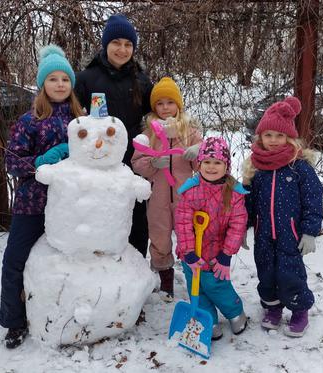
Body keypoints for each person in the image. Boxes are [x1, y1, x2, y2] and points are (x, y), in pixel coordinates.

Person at [0, 44, 84, 349]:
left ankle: (69, 315)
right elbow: (11, 162)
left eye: (65, 78)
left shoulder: (81, 119)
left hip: (71, 204)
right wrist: (39, 161)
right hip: (32, 204)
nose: (60, 84)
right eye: (53, 79)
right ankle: (14, 320)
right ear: (42, 84)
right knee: (15, 261)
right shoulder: (29, 120)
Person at [242, 96, 323, 338]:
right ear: (260, 138)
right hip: (263, 234)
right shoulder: (256, 167)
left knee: (291, 273)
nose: (274, 141)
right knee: (265, 271)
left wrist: (310, 230)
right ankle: (272, 308)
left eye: (279, 136)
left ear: (289, 138)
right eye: (268, 135)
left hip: (292, 235)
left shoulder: (299, 167)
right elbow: (246, 200)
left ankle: (299, 310)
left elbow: (313, 198)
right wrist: (242, 227)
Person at [75, 14, 152, 257]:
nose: (122, 49)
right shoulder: (86, 78)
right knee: (101, 213)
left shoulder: (141, 79)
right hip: (99, 160)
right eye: (116, 43)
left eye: (128, 44)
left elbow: (155, 116)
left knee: (137, 216)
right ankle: (101, 263)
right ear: (105, 45)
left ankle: (136, 265)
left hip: (133, 160)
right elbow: (72, 118)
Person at [131, 77, 202, 302]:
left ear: (178, 105)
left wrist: (197, 152)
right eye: (160, 103)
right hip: (158, 196)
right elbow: (137, 162)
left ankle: (194, 279)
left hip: (185, 196)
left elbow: (207, 165)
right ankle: (166, 280)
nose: (165, 108)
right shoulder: (148, 133)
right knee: (159, 237)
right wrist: (152, 164)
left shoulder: (189, 131)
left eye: (170, 103)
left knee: (187, 237)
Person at [174, 137, 248, 340]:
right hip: (192, 254)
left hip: (217, 254)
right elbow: (182, 223)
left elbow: (238, 225)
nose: (212, 167)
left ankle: (235, 313)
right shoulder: (190, 191)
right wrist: (188, 252)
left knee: (217, 286)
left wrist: (226, 255)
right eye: (207, 162)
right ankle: (208, 320)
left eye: (217, 163)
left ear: (227, 165)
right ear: (199, 164)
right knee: (196, 288)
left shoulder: (234, 193)